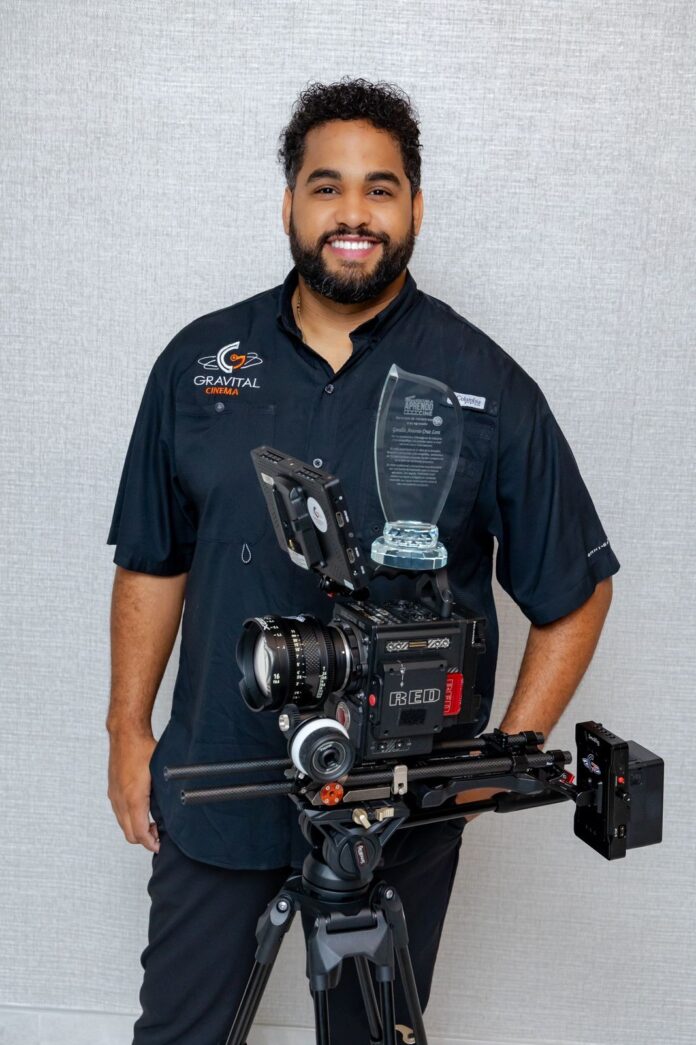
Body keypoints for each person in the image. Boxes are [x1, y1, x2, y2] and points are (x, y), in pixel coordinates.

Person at [106, 78, 619, 1044]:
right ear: (289, 204)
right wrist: (127, 730)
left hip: (399, 804)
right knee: (179, 1032)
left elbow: (575, 592)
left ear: (415, 207)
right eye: (326, 186)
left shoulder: (486, 383)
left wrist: (495, 761)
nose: (353, 213)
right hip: (221, 775)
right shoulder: (199, 364)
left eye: (380, 189)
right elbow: (151, 560)